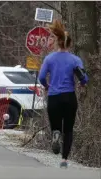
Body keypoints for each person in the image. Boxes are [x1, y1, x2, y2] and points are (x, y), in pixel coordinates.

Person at [38, 20, 89, 168]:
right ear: (69, 44)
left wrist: (47, 85)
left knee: (56, 127)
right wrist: (82, 83)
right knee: (68, 129)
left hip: (54, 97)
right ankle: (64, 160)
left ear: (57, 43)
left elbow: (41, 77)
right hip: (69, 97)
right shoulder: (75, 59)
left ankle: (55, 134)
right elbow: (84, 77)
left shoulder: (49, 59)